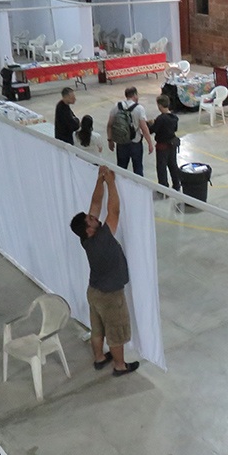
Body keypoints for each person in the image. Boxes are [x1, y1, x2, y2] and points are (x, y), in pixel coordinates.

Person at [69, 166, 139, 376]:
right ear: (89, 229)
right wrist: (111, 182)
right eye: (91, 220)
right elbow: (113, 211)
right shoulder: (103, 238)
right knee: (116, 332)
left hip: (94, 292)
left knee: (97, 328)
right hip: (110, 296)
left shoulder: (86, 238)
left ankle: (100, 358)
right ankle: (120, 365)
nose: (94, 217)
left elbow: (96, 204)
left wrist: (99, 180)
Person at [107, 86, 153, 176]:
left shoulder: (117, 106)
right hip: (135, 142)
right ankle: (139, 188)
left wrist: (110, 140)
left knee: (121, 168)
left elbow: (110, 125)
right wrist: (150, 143)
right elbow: (144, 128)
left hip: (121, 142)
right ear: (135, 95)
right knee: (138, 168)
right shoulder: (139, 108)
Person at [148, 94, 180, 190]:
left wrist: (150, 124)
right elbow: (175, 129)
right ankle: (176, 184)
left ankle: (164, 188)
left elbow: (152, 130)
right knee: (173, 165)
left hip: (162, 146)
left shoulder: (160, 119)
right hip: (173, 144)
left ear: (160, 106)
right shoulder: (174, 117)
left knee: (161, 168)